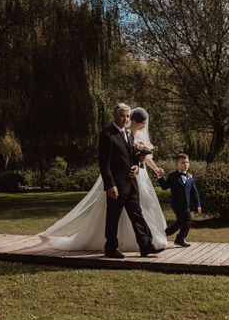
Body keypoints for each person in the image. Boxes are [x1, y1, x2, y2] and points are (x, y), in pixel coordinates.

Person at [39, 104, 168, 257]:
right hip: (117, 185)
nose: (125, 119)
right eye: (122, 116)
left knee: (137, 215)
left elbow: (132, 157)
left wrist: (136, 167)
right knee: (113, 216)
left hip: (132, 183)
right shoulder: (107, 134)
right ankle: (111, 248)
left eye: (127, 116)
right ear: (115, 116)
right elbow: (104, 164)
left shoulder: (128, 133)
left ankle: (146, 246)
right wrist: (110, 185)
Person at [157, 153, 202, 247]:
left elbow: (195, 192)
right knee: (187, 220)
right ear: (177, 164)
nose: (185, 165)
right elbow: (164, 187)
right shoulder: (173, 176)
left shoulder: (190, 177)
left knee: (180, 222)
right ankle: (180, 239)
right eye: (182, 163)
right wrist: (160, 177)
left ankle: (164, 234)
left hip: (186, 204)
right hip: (177, 204)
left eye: (187, 162)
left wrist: (198, 204)